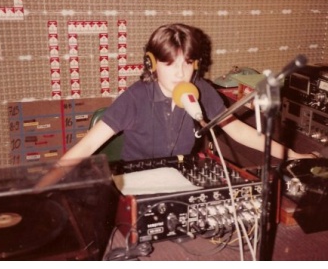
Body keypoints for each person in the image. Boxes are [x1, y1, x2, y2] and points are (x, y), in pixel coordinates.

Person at [37, 23, 312, 188]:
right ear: (152, 64)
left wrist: (294, 156)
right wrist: (39, 190)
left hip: (181, 177)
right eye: (170, 64)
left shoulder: (202, 90)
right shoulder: (135, 98)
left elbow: (238, 131)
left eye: (188, 63)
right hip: (137, 181)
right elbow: (85, 147)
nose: (181, 73)